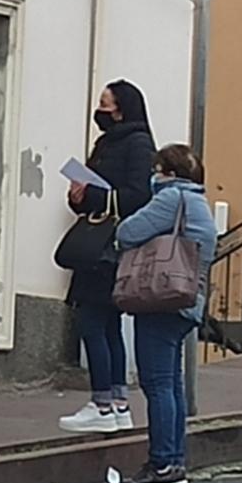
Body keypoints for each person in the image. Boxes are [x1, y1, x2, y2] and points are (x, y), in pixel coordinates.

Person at [114, 144, 217, 483]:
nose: (153, 177)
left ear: (169, 173)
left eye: (158, 170)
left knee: (157, 384)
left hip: (162, 298)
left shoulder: (172, 199)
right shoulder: (199, 203)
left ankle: (161, 463)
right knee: (171, 384)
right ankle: (174, 460)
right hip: (188, 302)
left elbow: (128, 232)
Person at [59, 80, 156, 435]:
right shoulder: (106, 143)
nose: (99, 110)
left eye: (104, 103)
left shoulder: (138, 143)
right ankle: (116, 404)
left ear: (119, 108)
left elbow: (138, 195)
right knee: (107, 325)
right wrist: (78, 195)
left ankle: (103, 403)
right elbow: (95, 193)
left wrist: (97, 196)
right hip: (97, 241)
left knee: (94, 324)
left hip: (110, 248)